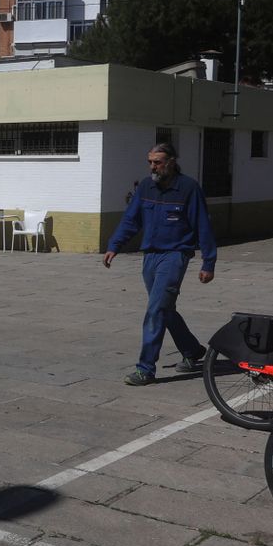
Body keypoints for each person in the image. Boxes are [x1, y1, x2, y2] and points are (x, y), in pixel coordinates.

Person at [102, 143, 216, 386]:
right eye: (150, 162)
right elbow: (131, 220)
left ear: (172, 162)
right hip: (150, 256)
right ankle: (192, 350)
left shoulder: (188, 188)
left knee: (155, 310)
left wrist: (209, 262)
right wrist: (114, 245)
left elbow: (202, 226)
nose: (153, 166)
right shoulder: (146, 187)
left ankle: (146, 369)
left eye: (158, 162)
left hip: (175, 256)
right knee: (165, 308)